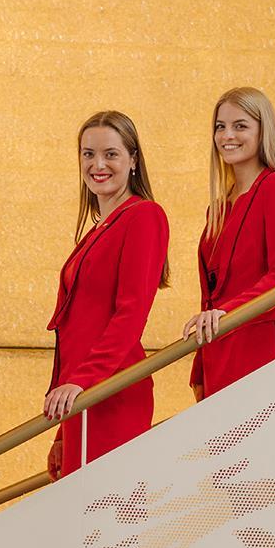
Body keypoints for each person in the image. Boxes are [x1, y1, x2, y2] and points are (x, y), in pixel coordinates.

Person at [44, 110, 169, 480]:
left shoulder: (144, 216)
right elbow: (73, 331)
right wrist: (60, 431)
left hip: (111, 393)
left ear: (133, 160)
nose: (98, 164)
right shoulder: (97, 230)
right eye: (88, 154)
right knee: (81, 530)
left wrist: (83, 382)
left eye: (110, 154)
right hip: (81, 398)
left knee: (113, 524)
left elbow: (130, 314)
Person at [183, 87, 275, 400]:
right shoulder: (219, 207)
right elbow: (209, 294)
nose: (227, 135)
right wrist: (200, 365)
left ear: (263, 130)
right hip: (218, 349)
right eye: (220, 127)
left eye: (240, 125)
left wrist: (227, 312)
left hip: (259, 343)